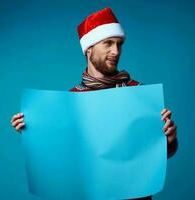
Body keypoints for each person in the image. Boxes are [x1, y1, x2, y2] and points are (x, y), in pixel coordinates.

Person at [10, 7, 178, 200]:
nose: (116, 51)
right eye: (108, 43)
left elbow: (154, 156)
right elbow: (61, 157)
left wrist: (169, 140)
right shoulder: (71, 100)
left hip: (135, 196)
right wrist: (32, 132)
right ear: (89, 48)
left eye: (119, 44)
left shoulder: (139, 93)